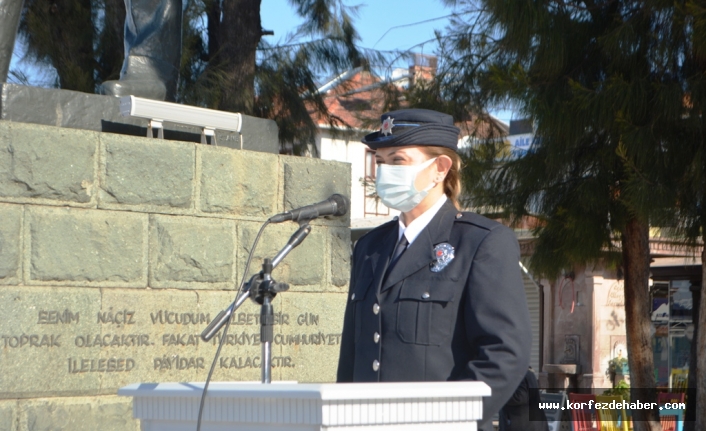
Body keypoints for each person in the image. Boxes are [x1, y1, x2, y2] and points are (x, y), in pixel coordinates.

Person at [336, 108, 532, 431]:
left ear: (440, 168)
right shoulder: (369, 248)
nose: (384, 172)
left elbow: (505, 354)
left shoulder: (480, 243)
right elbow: (352, 357)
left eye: (398, 160)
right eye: (380, 161)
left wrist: (447, 420)